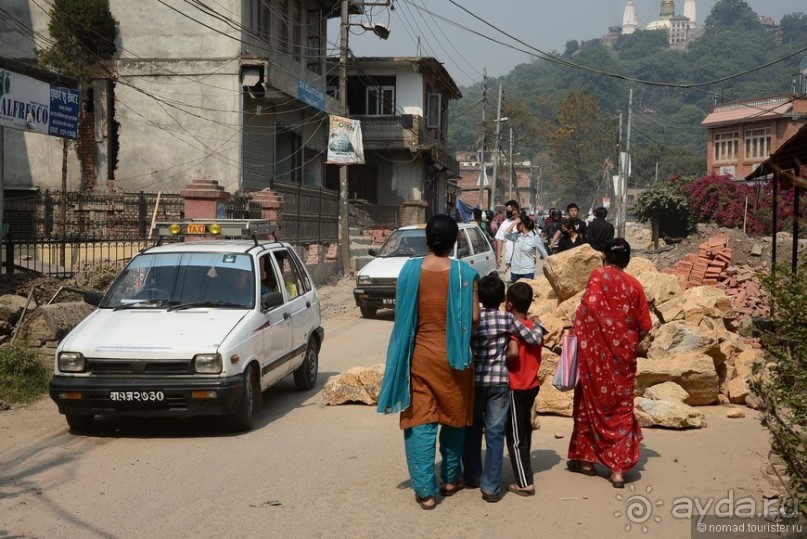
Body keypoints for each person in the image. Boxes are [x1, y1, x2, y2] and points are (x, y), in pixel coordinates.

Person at [376, 214, 481, 511]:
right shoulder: (465, 273)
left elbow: (405, 313)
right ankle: (449, 479)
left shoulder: (410, 271)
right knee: (453, 418)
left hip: (420, 358)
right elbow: (474, 318)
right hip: (456, 359)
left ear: (427, 240)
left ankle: (426, 492)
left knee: (421, 421)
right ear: (454, 241)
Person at [567, 238, 652, 489]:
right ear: (626, 260)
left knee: (587, 402)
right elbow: (645, 326)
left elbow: (586, 311)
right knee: (621, 408)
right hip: (623, 358)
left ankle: (586, 462)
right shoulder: (635, 286)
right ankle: (617, 470)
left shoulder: (598, 276)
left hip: (594, 355)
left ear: (605, 256)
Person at [463, 274, 544, 503]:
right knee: (495, 432)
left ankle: (472, 475)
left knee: (472, 428)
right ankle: (490, 487)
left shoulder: (473, 319)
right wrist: (538, 324)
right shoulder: (505, 319)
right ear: (501, 299)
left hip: (475, 381)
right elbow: (533, 338)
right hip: (499, 381)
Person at [504, 282, 543, 497]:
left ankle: (524, 481)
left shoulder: (512, 330)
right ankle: (524, 471)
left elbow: (513, 354)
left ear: (509, 304)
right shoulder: (535, 326)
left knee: (515, 435)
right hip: (531, 385)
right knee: (524, 431)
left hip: (515, 385)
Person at [503, 212, 548, 282]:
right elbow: (505, 234)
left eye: (518, 224)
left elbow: (545, 255)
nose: (516, 226)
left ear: (522, 225)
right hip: (515, 271)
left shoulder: (534, 238)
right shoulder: (516, 236)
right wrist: (514, 223)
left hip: (527, 272)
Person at [494, 200, 520, 281]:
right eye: (506, 211)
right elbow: (500, 241)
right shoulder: (505, 224)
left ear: (515, 210)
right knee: (510, 283)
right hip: (510, 261)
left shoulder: (523, 222)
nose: (506, 213)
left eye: (508, 211)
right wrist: (498, 257)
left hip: (523, 260)